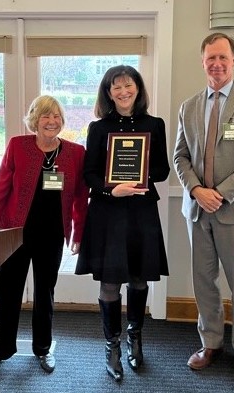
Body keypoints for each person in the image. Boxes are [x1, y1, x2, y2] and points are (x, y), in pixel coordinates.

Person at [173, 33, 234, 387]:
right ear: (202, 61)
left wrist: (220, 193)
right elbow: (179, 156)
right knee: (204, 283)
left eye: (223, 58)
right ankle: (210, 343)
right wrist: (198, 190)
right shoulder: (189, 106)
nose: (217, 63)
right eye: (210, 58)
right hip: (198, 211)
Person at [75, 65, 170, 382]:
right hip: (109, 213)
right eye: (116, 87)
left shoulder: (154, 125)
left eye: (128, 85)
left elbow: (162, 170)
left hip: (141, 210)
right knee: (110, 283)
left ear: (138, 89)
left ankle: (136, 337)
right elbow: (89, 173)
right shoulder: (98, 128)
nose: (123, 91)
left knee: (140, 279)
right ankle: (112, 346)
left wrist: (139, 174)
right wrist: (111, 187)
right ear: (108, 92)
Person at [0, 95, 89, 375]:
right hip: (15, 232)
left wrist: (77, 233)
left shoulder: (76, 152)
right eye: (46, 116)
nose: (52, 121)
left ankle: (43, 349)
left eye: (56, 116)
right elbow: (1, 190)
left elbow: (82, 196)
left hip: (53, 232)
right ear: (35, 119)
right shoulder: (17, 146)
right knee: (9, 291)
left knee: (45, 292)